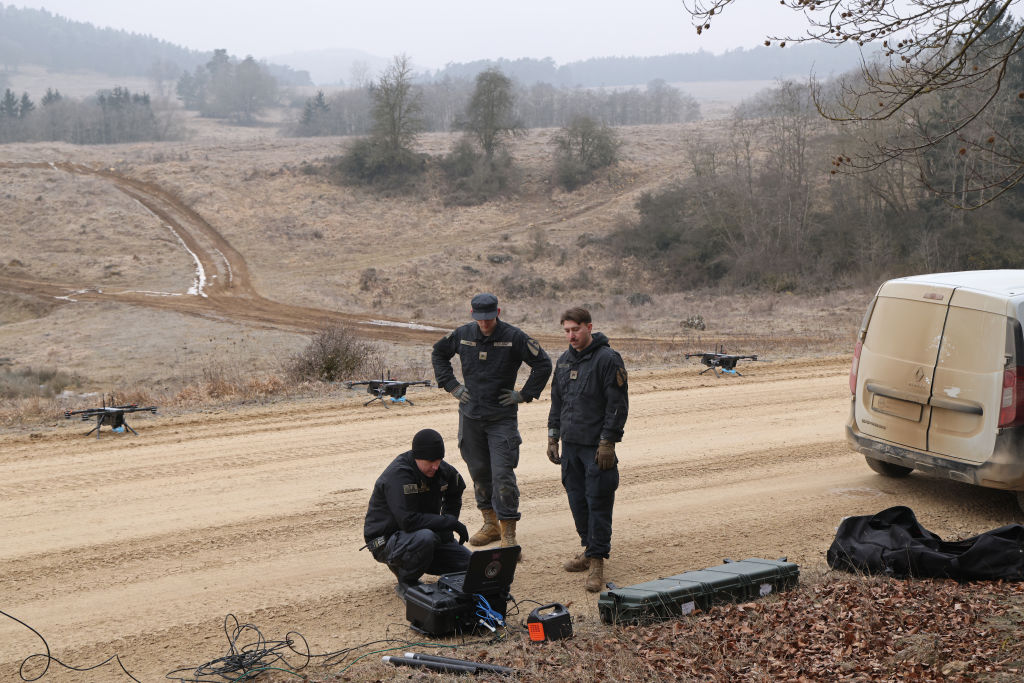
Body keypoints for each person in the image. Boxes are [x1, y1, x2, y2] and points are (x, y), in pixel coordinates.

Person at [431, 293, 552, 559]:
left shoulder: (514, 337)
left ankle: (508, 533)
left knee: (503, 476)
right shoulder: (463, 334)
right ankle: (490, 524)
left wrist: (524, 394)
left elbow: (543, 364)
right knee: (479, 473)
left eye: (489, 318)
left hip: (501, 419)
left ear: (497, 312)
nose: (484, 323)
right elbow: (439, 353)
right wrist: (452, 385)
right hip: (471, 417)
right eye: (480, 318)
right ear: (472, 314)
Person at [546, 307, 628, 592]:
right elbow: (557, 402)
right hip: (571, 446)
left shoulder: (607, 359)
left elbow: (617, 405)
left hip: (596, 447)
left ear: (589, 327)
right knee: (577, 501)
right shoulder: (564, 361)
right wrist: (553, 436)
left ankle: (597, 561)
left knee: (598, 501)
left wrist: (608, 442)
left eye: (576, 330)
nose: (571, 336)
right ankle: (588, 549)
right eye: (567, 331)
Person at [362, 428, 472, 600]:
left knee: (470, 565)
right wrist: (449, 522)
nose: (435, 466)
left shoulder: (440, 469)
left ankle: (422, 561)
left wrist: (449, 523)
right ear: (417, 457)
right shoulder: (399, 475)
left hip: (422, 534)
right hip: (385, 541)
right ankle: (406, 580)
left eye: (439, 460)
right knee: (425, 538)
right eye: (431, 462)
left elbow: (455, 490)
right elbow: (408, 521)